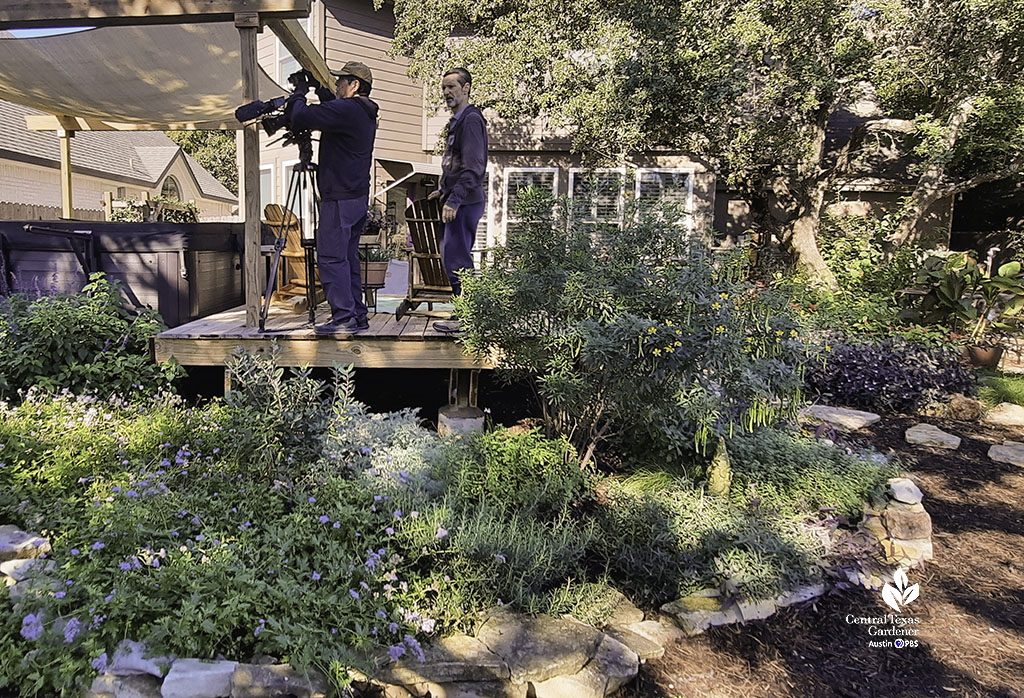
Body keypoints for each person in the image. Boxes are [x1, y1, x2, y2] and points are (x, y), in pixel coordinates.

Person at [288, 62, 378, 334]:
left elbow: (300, 117)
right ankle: (357, 316)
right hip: (356, 197)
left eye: (342, 82)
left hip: (339, 197)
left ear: (355, 86)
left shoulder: (349, 109)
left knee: (330, 257)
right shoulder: (363, 111)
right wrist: (322, 90)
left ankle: (343, 318)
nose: (337, 86)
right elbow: (334, 111)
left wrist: (300, 93)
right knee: (347, 259)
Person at [428, 67, 488, 333]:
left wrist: (454, 200)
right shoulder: (457, 121)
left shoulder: (471, 120)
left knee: (457, 259)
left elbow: (474, 166)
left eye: (452, 87)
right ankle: (465, 314)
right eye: (444, 88)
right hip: (456, 198)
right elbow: (456, 163)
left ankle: (469, 319)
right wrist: (444, 190)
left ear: (466, 89)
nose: (447, 92)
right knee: (451, 256)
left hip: (465, 202)